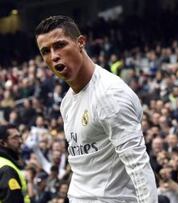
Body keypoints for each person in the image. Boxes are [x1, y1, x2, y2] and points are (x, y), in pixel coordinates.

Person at [35, 15, 157, 202]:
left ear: (81, 42)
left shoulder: (110, 95)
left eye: (60, 45)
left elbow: (139, 166)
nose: (53, 56)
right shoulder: (67, 102)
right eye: (45, 51)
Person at [0, 124, 30, 203]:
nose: (20, 141)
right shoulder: (7, 169)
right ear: (3, 143)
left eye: (20, 137)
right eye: (15, 138)